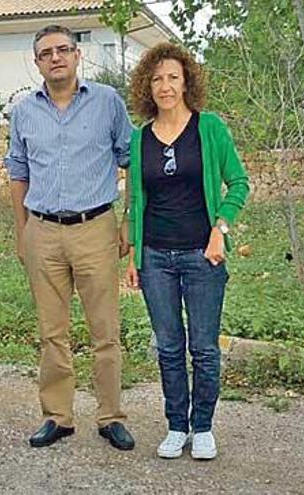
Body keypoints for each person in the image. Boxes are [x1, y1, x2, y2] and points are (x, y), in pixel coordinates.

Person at [4, 24, 136, 451]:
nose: (56, 57)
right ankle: (58, 417)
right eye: (46, 53)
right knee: (51, 332)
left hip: (96, 228)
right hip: (42, 230)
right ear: (37, 61)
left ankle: (111, 416)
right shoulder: (24, 111)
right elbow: (18, 173)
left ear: (77, 55)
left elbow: (132, 159)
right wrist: (22, 232)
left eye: (63, 50)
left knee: (105, 331)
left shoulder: (107, 102)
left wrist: (128, 221)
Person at [125, 42, 249, 460]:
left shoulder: (209, 128)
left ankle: (203, 426)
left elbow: (239, 182)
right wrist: (133, 257)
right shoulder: (139, 138)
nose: (165, 86)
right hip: (156, 257)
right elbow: (135, 203)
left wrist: (221, 229)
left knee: (204, 347)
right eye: (157, 78)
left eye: (173, 77)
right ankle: (176, 425)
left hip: (203, 254)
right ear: (148, 85)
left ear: (186, 81)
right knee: (168, 346)